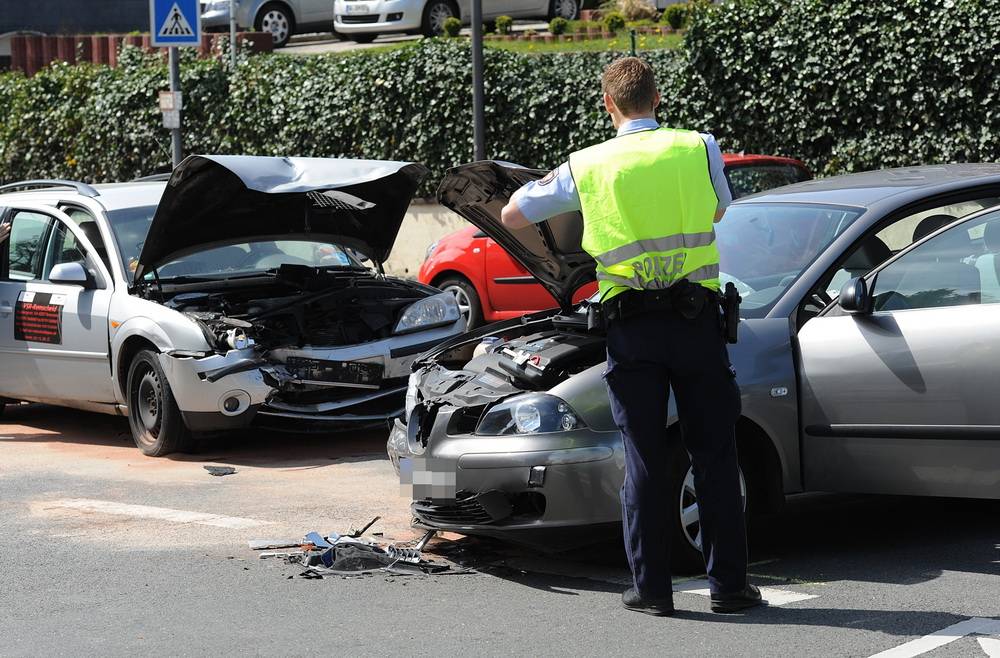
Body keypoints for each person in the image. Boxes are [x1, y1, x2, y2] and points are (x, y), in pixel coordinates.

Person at [500, 57, 763, 617]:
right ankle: (729, 588)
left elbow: (513, 213)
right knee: (714, 454)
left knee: (644, 455)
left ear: (607, 104)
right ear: (657, 99)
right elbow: (721, 208)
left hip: (632, 329)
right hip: (697, 323)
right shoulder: (699, 147)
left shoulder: (588, 164)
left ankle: (652, 589)